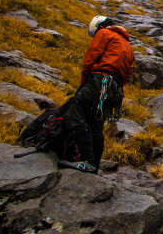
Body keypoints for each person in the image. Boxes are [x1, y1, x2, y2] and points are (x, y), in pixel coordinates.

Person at [58, 15, 135, 173]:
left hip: (100, 80)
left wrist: (84, 84)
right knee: (96, 124)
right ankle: (94, 165)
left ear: (98, 27)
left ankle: (87, 160)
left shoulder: (104, 34)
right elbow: (127, 75)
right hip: (116, 90)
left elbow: (90, 59)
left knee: (75, 113)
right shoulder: (128, 46)